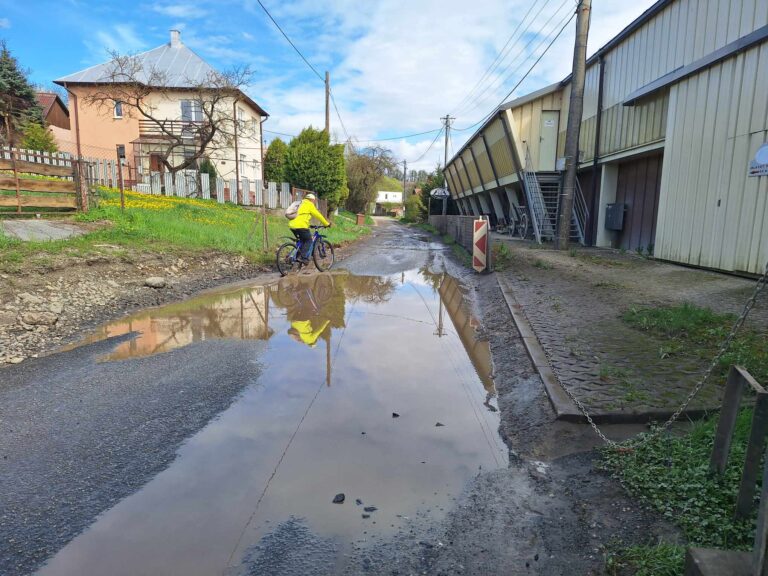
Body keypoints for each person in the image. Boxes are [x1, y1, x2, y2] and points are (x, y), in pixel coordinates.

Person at [288, 193, 331, 262]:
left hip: (292, 225)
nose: (314, 202)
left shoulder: (300, 203)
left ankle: (295, 256)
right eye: (314, 201)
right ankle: (303, 257)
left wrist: (308, 225)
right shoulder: (310, 205)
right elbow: (318, 215)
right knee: (309, 240)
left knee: (302, 241)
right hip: (301, 226)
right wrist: (326, 224)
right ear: (312, 200)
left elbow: (301, 216)